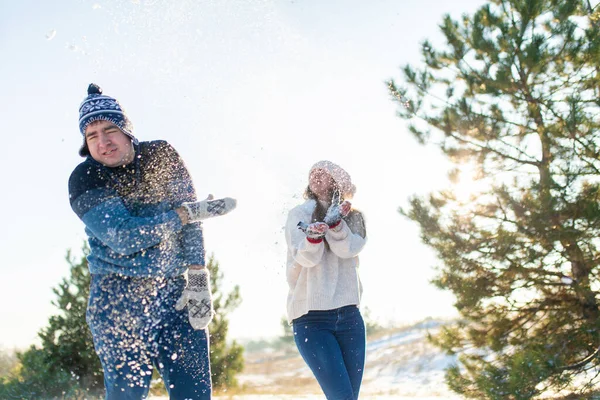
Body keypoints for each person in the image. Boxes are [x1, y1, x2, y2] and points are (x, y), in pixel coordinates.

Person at [68, 83, 236, 400]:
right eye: (92, 136)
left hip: (175, 294)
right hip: (117, 299)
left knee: (195, 395)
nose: (103, 143)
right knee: (127, 395)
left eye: (109, 130)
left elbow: (193, 218)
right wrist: (181, 216)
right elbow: (125, 237)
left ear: (127, 129)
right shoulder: (85, 177)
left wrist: (199, 278)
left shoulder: (161, 154)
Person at [284, 160, 367, 400]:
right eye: (312, 172)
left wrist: (336, 224)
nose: (316, 176)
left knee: (349, 397)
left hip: (350, 317)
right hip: (312, 318)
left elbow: (349, 249)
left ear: (337, 182)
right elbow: (305, 259)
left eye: (323, 172)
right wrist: (313, 237)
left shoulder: (354, 216)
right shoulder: (299, 215)